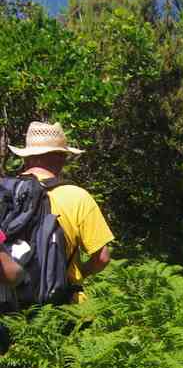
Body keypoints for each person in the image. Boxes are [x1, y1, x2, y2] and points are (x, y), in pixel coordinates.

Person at [9, 121, 114, 303]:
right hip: (63, 307)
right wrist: (80, 272)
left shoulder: (5, 192)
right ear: (61, 157)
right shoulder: (77, 196)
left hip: (8, 307)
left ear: (27, 157)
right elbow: (102, 258)